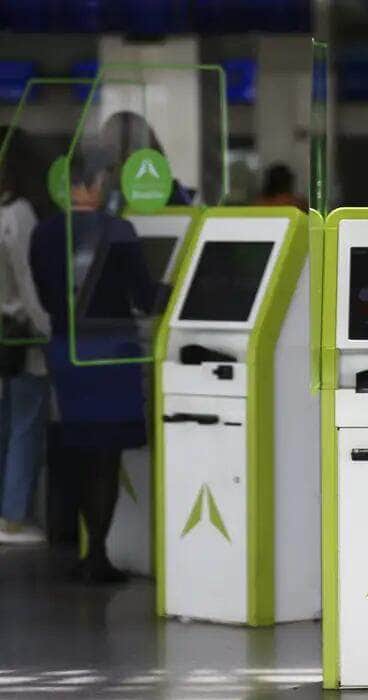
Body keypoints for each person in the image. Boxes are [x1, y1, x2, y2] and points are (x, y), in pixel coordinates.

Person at [29, 145, 156, 583]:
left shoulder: (44, 233)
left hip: (68, 352)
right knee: (105, 457)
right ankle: (97, 555)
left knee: (83, 452)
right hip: (112, 354)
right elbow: (145, 297)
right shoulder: (119, 230)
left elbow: (47, 297)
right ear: (98, 181)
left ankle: (88, 554)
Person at [0, 126, 51, 544]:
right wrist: (49, 328)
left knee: (5, 423)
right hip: (19, 335)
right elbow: (29, 280)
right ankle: (13, 517)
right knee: (26, 422)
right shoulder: (18, 215)